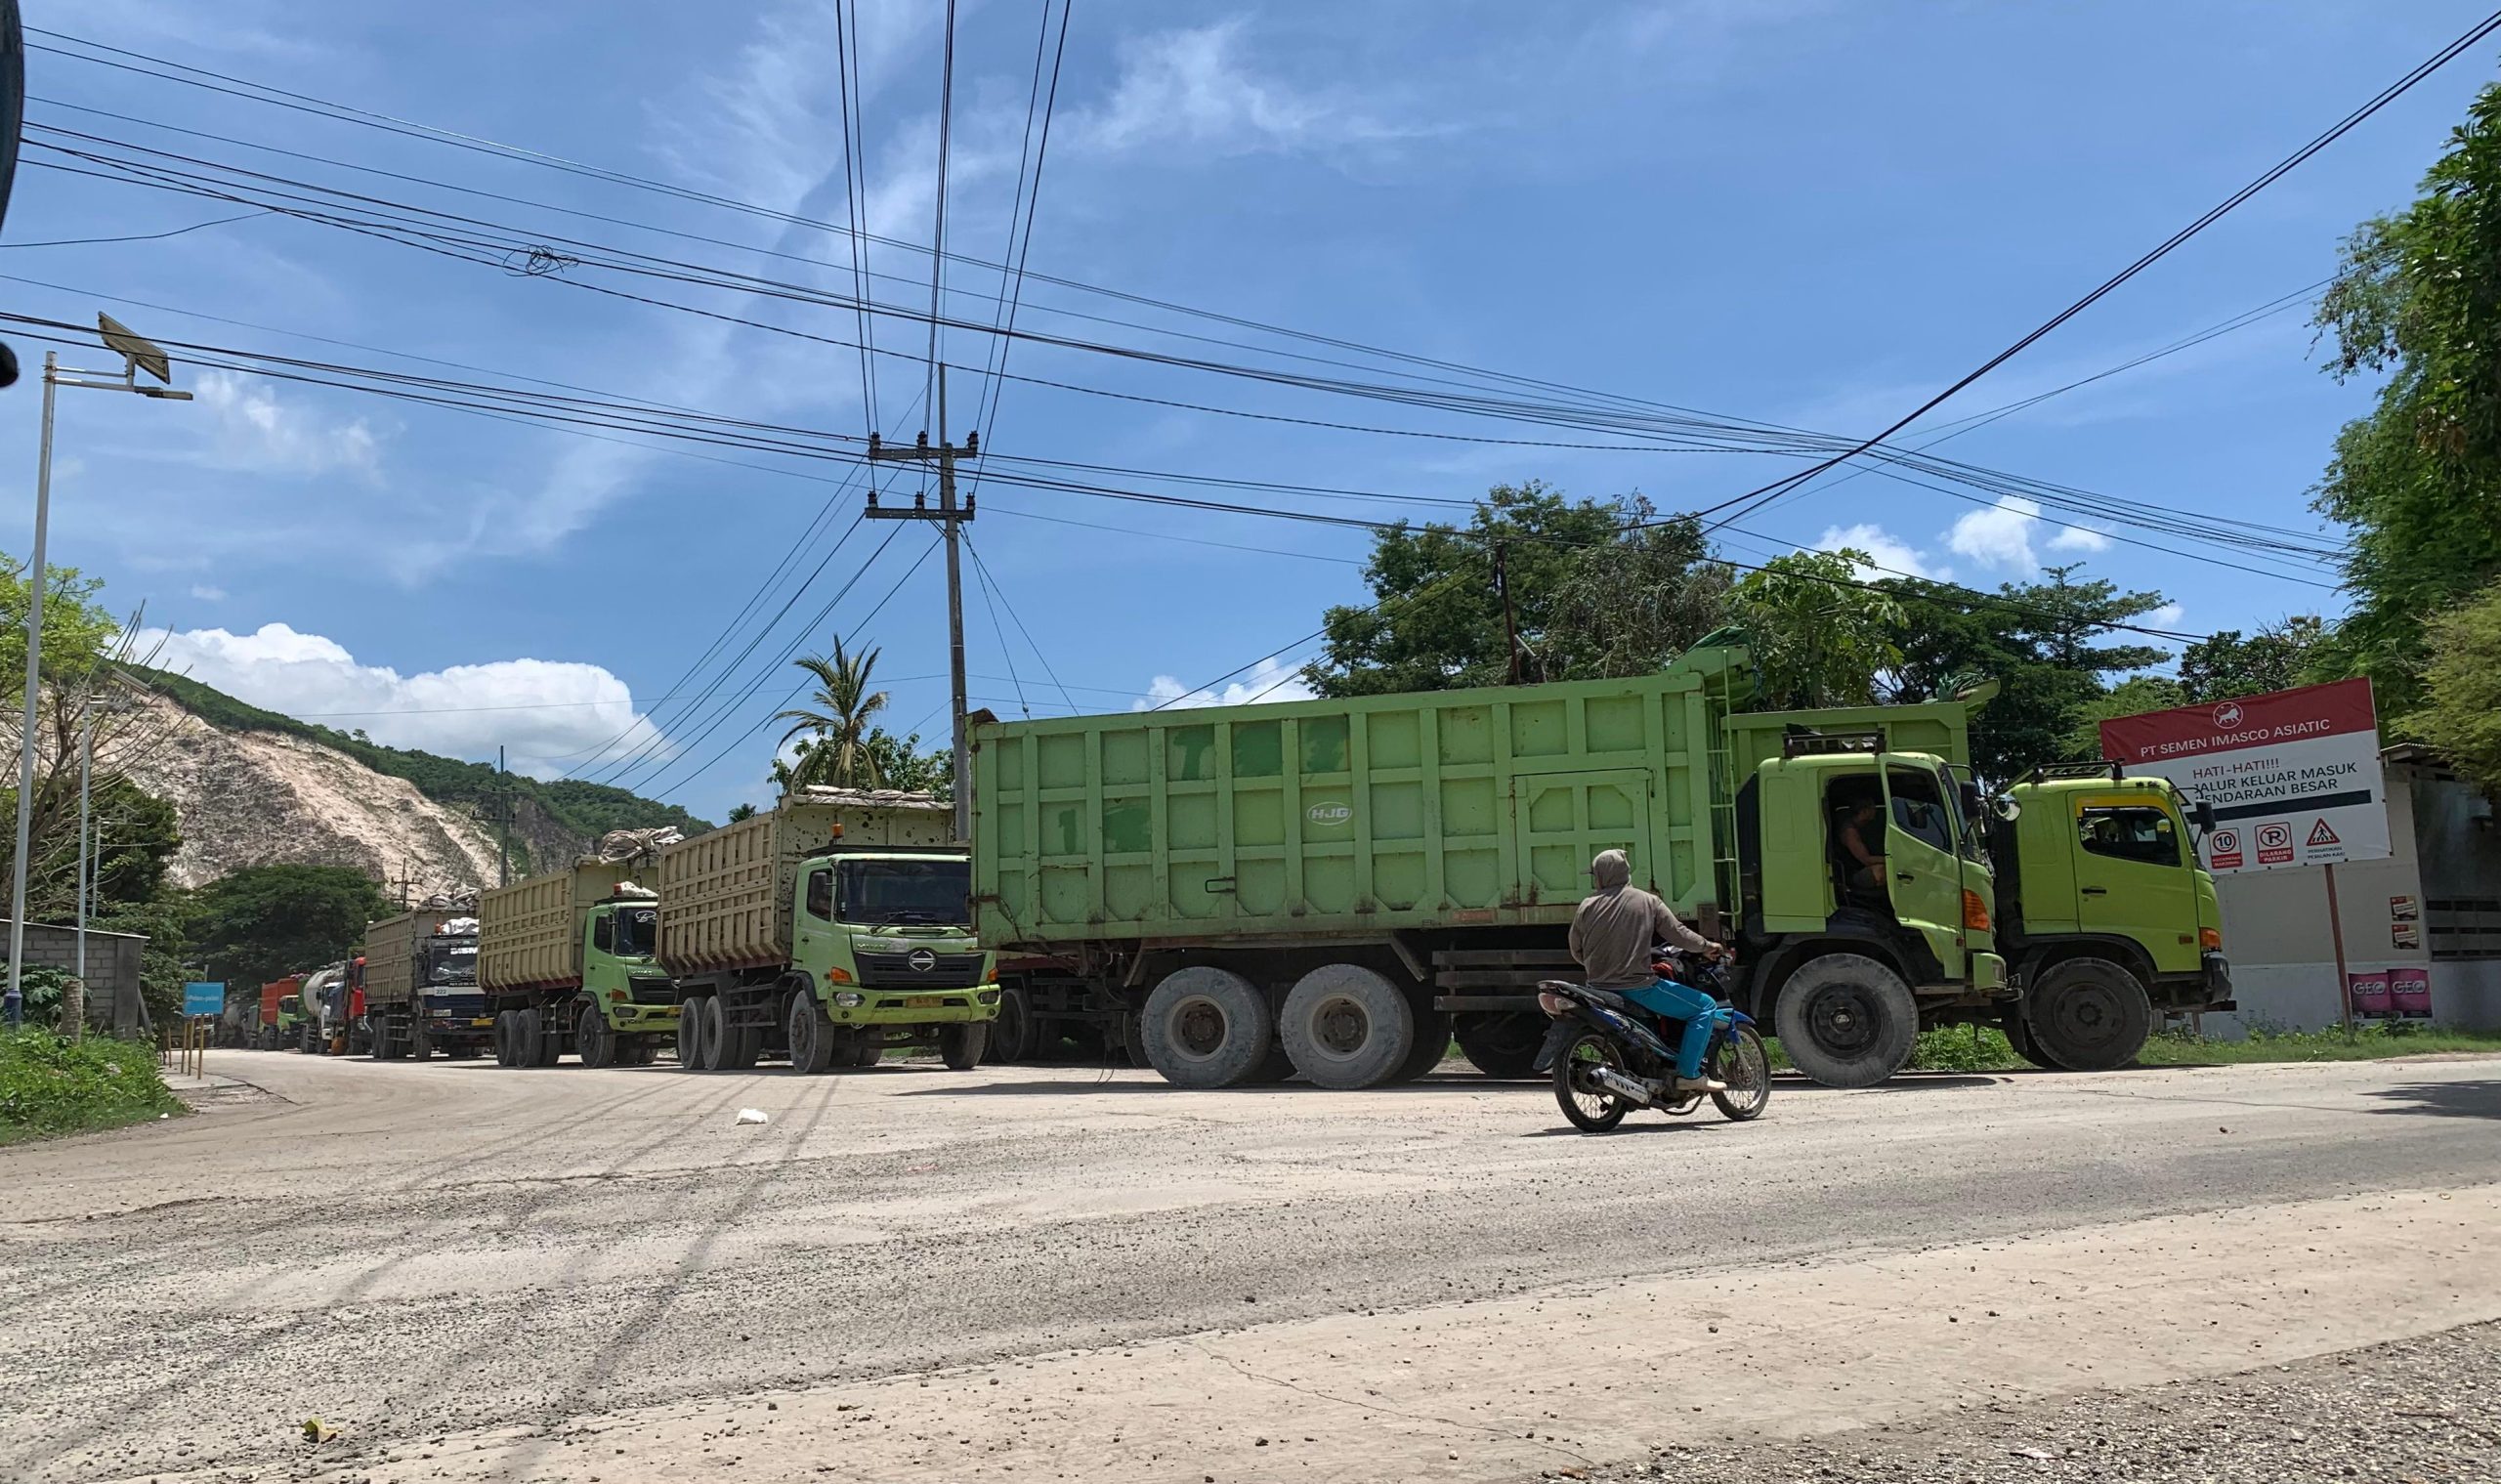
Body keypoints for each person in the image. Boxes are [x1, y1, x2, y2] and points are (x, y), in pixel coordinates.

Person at [1567, 848, 1727, 1093]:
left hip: (1597, 989)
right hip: (1639, 988)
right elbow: (1680, 935)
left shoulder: (1587, 905)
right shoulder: (1647, 901)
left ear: (1600, 877)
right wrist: (1707, 946)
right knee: (1705, 1006)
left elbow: (1577, 950)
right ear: (1625, 873)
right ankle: (1689, 1074)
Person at [1838, 801, 1886, 896]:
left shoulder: (1862, 827)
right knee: (1881, 870)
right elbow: (1866, 860)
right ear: (1864, 811)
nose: (1875, 810)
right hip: (1855, 873)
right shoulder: (1850, 832)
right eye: (1872, 808)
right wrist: (1890, 860)